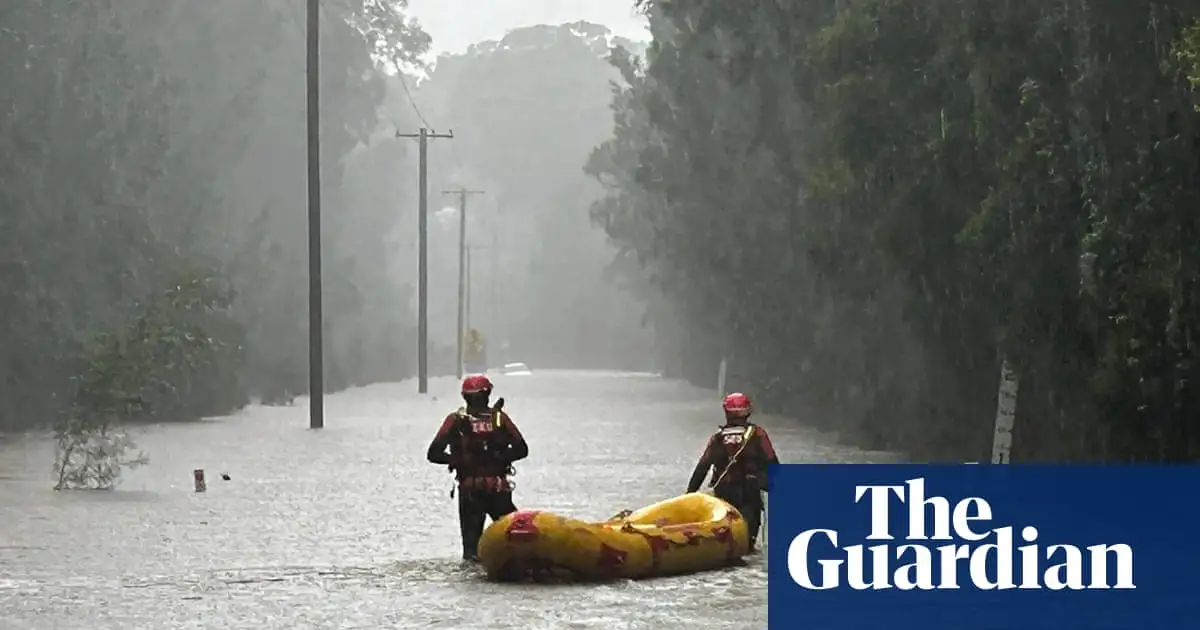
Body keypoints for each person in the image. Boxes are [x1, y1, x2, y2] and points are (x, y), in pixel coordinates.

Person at [427, 374, 529, 561]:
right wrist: (500, 458)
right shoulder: (499, 419)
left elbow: (433, 454)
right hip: (498, 489)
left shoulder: (455, 420)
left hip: (470, 491)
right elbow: (522, 449)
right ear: (488, 394)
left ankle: (475, 581)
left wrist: (456, 460)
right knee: (517, 538)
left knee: (471, 550)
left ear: (464, 396)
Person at [686, 392, 779, 552]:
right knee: (747, 542)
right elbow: (773, 463)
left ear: (726, 412)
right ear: (747, 411)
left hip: (724, 493)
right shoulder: (758, 434)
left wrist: (689, 494)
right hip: (750, 493)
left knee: (724, 536)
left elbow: (703, 467)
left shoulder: (718, 438)